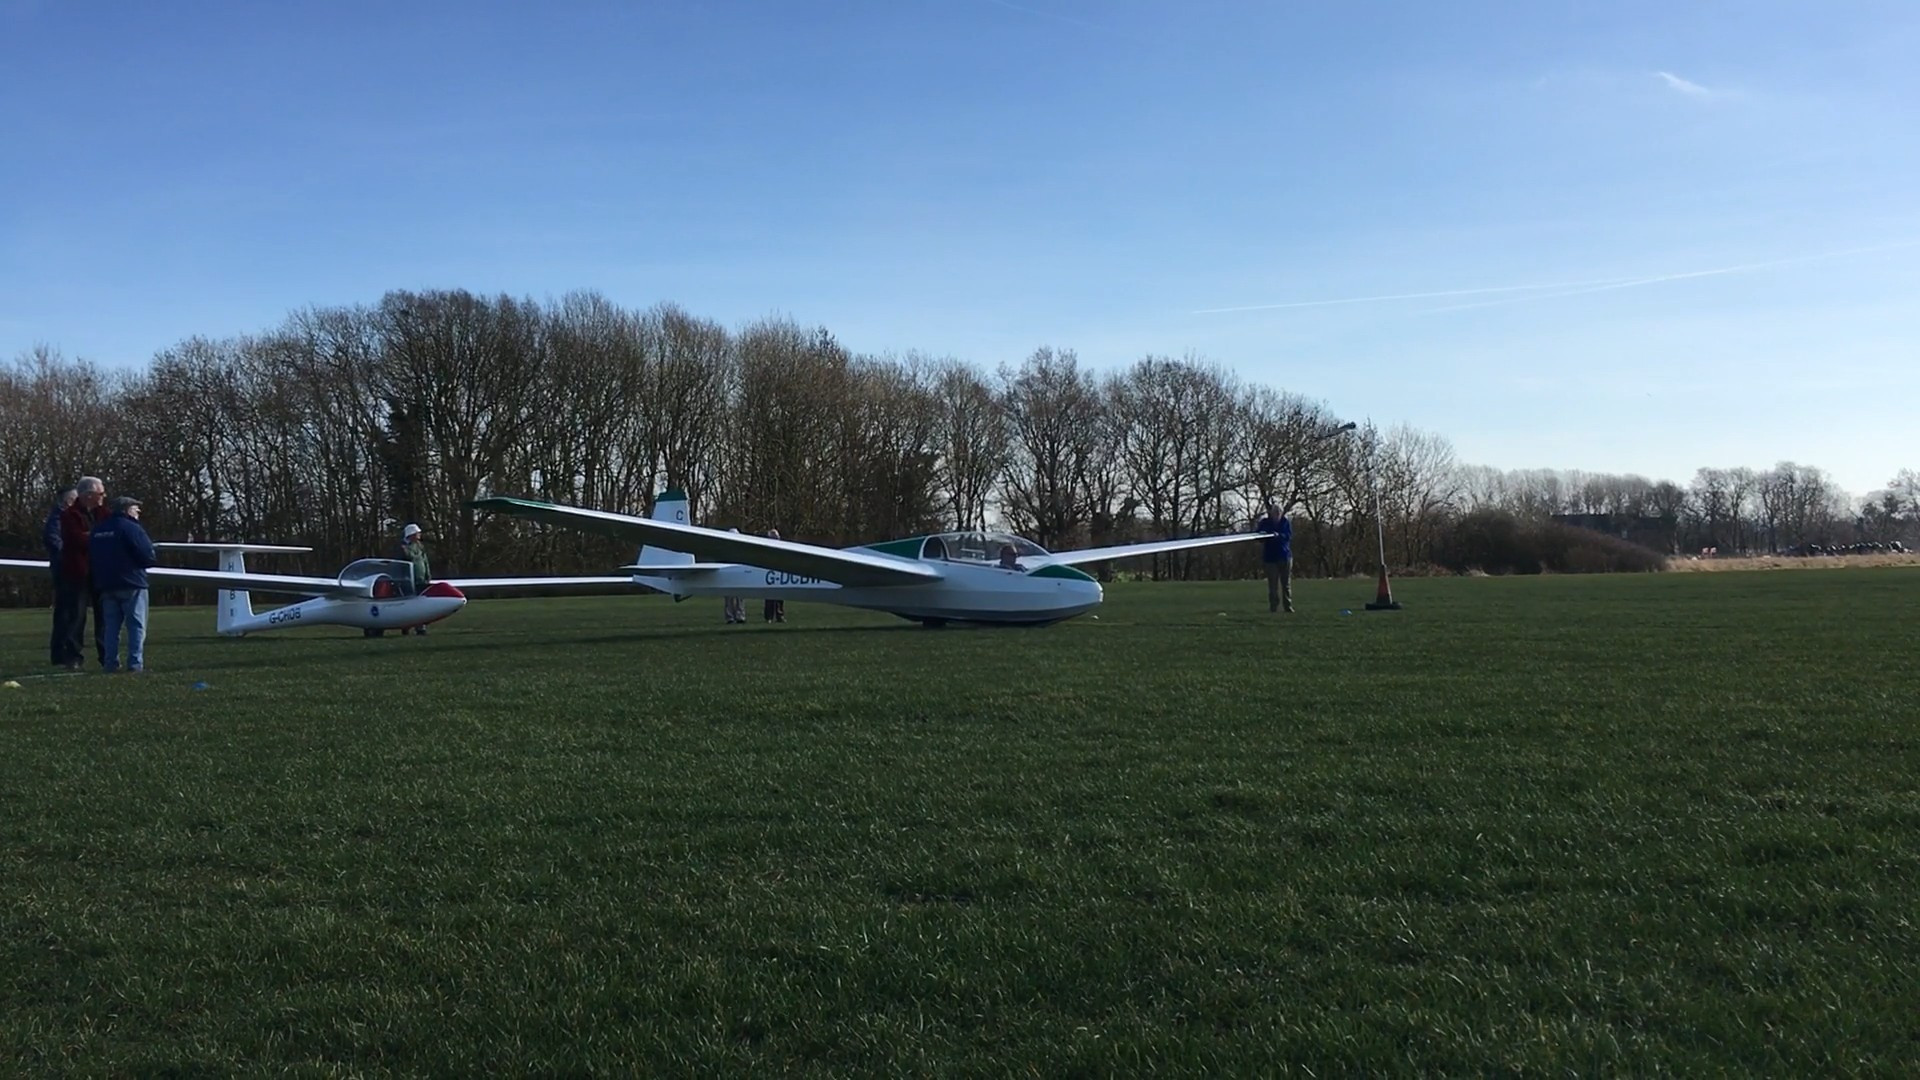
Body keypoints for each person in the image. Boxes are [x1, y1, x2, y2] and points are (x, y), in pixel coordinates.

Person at [90, 496, 157, 674]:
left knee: (111, 627)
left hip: (106, 584)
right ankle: (135, 664)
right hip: (132, 582)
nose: (138, 512)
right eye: (136, 509)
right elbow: (147, 554)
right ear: (127, 510)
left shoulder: (98, 529)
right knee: (136, 625)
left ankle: (110, 663)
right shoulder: (131, 528)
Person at [56, 476, 110, 670]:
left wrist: (94, 536)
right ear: (88, 495)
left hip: (100, 572)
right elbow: (77, 540)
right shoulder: (69, 515)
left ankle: (107, 656)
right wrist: (98, 537)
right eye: (100, 493)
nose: (103, 497)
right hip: (77, 572)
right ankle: (73, 657)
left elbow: (110, 536)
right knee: (76, 616)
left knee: (104, 616)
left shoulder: (105, 513)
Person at [43, 486, 75, 666]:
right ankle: (60, 653)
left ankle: (65, 651)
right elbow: (54, 541)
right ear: (68, 501)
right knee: (64, 614)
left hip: (67, 570)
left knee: (69, 613)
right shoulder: (57, 519)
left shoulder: (64, 518)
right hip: (64, 572)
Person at [1255, 500, 1293, 613]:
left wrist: (1278, 536)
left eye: (1278, 512)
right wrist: (1263, 534)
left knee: (1286, 584)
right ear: (1271, 513)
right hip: (1270, 558)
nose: (1276, 514)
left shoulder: (1285, 522)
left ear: (1281, 513)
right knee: (1273, 585)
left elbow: (1288, 536)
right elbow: (1258, 536)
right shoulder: (1265, 523)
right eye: (1274, 512)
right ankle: (1273, 607)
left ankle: (1288, 606)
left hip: (1284, 556)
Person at [399, 523, 432, 635]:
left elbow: (425, 560)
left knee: (421, 604)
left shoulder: (420, 546)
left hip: (421, 579)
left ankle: (420, 627)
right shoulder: (402, 547)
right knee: (407, 603)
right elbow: (406, 560)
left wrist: (428, 575)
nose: (419, 535)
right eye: (417, 533)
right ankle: (405, 625)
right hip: (407, 580)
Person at [723, 528, 746, 624]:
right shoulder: (725, 550)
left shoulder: (741, 549)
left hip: (739, 575)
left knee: (740, 597)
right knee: (729, 598)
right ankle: (730, 617)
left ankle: (740, 615)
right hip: (728, 576)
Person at [763, 528, 785, 623]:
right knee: (769, 597)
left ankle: (779, 615)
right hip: (769, 575)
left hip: (779, 574)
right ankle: (769, 617)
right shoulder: (767, 549)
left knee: (780, 597)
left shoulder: (781, 548)